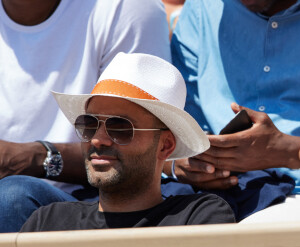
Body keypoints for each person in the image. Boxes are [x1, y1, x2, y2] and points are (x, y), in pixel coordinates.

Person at [0, 0, 171, 232]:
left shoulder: (125, 7)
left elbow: (145, 153)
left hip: (97, 199)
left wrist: (36, 157)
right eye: (88, 125)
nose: (99, 137)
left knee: (12, 197)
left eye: (116, 126)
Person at [20, 52, 235, 232]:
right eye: (88, 124)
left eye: (120, 128)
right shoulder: (49, 221)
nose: (98, 139)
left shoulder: (197, 218)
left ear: (165, 145)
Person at [168, 0, 300, 221]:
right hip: (207, 195)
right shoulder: (203, 7)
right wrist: (175, 163)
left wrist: (288, 152)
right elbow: (174, 123)